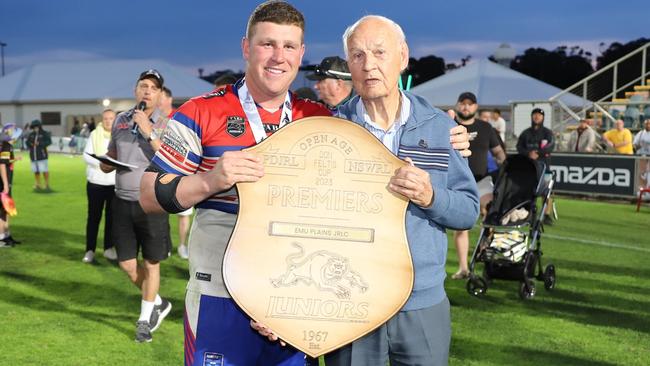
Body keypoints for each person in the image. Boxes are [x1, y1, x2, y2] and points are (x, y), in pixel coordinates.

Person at [139, 2, 471, 364]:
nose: (278, 57)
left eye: (289, 46)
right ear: (246, 47)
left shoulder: (317, 118)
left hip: (303, 304)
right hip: (222, 296)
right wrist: (210, 180)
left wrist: (449, 140)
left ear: (301, 53)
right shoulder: (201, 111)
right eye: (267, 44)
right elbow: (148, 193)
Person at [101, 69, 172, 343]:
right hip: (121, 201)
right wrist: (106, 162)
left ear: (159, 94)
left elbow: (169, 160)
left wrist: (148, 130)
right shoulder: (120, 119)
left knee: (151, 263)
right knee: (128, 265)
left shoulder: (166, 124)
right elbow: (112, 155)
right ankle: (157, 302)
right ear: (135, 90)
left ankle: (144, 320)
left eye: (153, 88)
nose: (147, 91)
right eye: (143, 86)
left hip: (151, 202)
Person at [451, 92, 505, 280]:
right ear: (458, 106)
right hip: (457, 182)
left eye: (470, 104)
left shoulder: (485, 128)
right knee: (462, 225)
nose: (466, 107)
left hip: (481, 180)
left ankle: (485, 251)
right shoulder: (449, 125)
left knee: (489, 214)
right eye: (463, 103)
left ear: (476, 107)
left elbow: (499, 153)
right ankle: (463, 268)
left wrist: (505, 171)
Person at [159, 86, 193, 259]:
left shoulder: (180, 118)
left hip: (182, 172)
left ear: (169, 99)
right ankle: (165, 245)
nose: (159, 100)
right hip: (161, 173)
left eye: (162, 97)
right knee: (161, 213)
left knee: (183, 213)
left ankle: (182, 245)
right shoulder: (155, 120)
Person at [82, 109, 117, 263]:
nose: (108, 121)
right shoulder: (94, 134)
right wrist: (103, 164)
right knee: (93, 218)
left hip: (114, 185)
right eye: (106, 118)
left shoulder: (119, 135)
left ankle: (109, 249)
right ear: (102, 120)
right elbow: (86, 155)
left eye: (111, 118)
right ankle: (90, 250)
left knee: (112, 219)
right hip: (96, 183)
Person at [516, 108, 555, 225]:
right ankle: (529, 213)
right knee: (529, 190)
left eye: (539, 115)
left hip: (544, 167)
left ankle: (546, 215)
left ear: (543, 117)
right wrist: (528, 154)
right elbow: (519, 147)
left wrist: (537, 153)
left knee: (546, 191)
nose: (537, 117)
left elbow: (550, 146)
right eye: (535, 115)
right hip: (529, 167)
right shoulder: (525, 133)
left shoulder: (548, 133)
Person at [0, 123, 22, 248]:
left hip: (6, 181)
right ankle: (1, 238)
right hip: (4, 182)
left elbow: (5, 161)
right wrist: (5, 184)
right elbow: (2, 164)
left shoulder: (6, 144)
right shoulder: (6, 145)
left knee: (6, 209)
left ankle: (7, 236)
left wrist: (14, 160)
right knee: (2, 210)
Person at [25, 119, 52, 191]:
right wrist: (31, 144)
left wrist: (40, 144)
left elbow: (49, 142)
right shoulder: (31, 134)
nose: (35, 128)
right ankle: (38, 184)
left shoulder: (44, 133)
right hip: (33, 156)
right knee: (36, 171)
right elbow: (27, 143)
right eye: (34, 127)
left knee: (44, 170)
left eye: (36, 126)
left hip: (42, 156)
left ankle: (46, 184)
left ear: (39, 126)